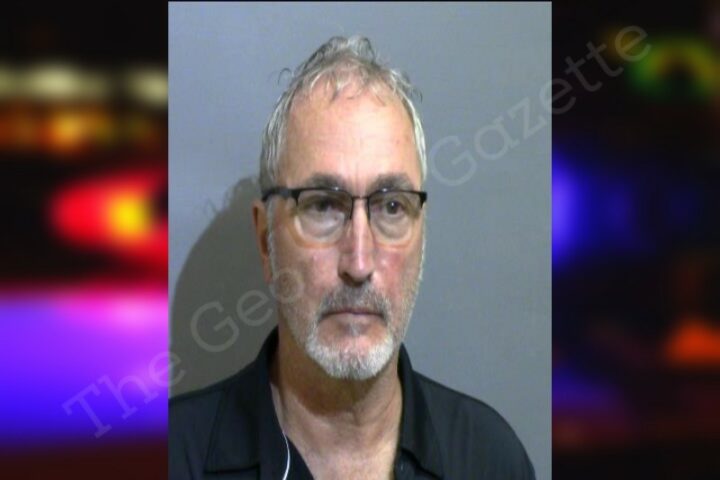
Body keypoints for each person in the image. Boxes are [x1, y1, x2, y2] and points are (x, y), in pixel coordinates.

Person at [169, 35, 535, 480]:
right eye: (323, 205)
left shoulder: (490, 460)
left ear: (422, 234)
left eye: (392, 206)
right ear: (266, 240)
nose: (358, 264)